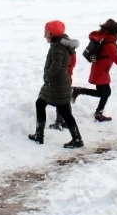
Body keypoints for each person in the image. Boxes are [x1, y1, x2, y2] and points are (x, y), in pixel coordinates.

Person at [71, 19, 117, 122]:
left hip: (102, 70)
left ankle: (97, 112)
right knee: (103, 93)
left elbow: (106, 50)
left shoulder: (109, 41)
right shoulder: (110, 44)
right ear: (116, 33)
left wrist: (116, 47)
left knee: (106, 92)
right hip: (100, 71)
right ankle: (78, 91)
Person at [28, 21, 84, 149]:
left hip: (57, 84)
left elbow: (56, 66)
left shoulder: (57, 48)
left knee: (64, 111)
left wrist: (47, 76)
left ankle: (77, 139)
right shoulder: (59, 44)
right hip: (57, 83)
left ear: (52, 34)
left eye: (46, 33)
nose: (44, 36)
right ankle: (39, 134)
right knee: (41, 103)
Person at [50, 32, 79, 132]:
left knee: (60, 100)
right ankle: (65, 122)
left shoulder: (63, 52)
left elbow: (59, 66)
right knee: (65, 101)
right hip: (68, 78)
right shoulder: (72, 51)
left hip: (62, 79)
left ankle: (59, 122)